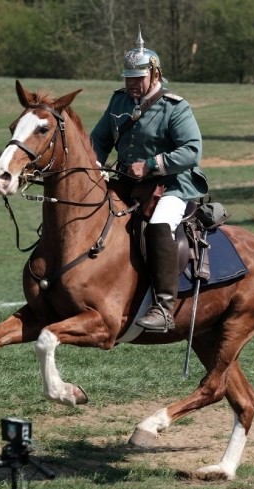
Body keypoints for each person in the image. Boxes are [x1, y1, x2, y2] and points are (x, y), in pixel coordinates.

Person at [90, 28, 208, 332]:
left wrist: (154, 164)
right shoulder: (119, 103)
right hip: (129, 182)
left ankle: (164, 307)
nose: (131, 84)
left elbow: (192, 151)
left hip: (172, 185)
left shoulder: (175, 107)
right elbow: (100, 139)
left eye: (137, 78)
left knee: (158, 225)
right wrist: (95, 165)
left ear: (154, 75)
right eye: (127, 77)